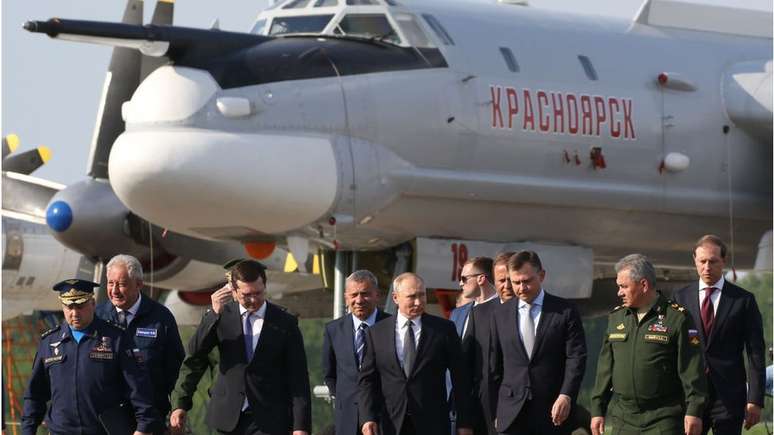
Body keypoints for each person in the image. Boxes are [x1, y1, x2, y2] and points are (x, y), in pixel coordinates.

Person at [169, 259, 311, 435]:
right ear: (233, 291)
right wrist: (180, 404)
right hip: (227, 419)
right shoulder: (220, 316)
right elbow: (196, 354)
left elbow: (298, 377)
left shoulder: (285, 322)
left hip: (270, 420)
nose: (253, 300)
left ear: (265, 287)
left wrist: (300, 426)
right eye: (246, 295)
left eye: (258, 293)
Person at [22, 279, 159, 435]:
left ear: (92, 303)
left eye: (80, 306)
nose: (74, 313)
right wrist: (28, 430)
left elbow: (139, 388)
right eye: (69, 307)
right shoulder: (49, 342)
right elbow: (34, 395)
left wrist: (143, 427)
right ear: (62, 307)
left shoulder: (116, 338)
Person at [590, 254, 707, 435]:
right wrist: (597, 409)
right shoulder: (616, 318)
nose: (619, 292)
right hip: (624, 419)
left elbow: (692, 370)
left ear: (643, 285)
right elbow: (605, 368)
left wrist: (694, 411)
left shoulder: (677, 318)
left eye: (624, 287)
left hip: (664, 419)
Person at [672, 235, 766, 435]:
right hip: (690, 396)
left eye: (713, 261)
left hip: (729, 397)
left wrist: (755, 399)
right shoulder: (679, 298)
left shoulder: (743, 301)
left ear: (723, 261)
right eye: (702, 261)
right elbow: (672, 348)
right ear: (694, 260)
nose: (707, 267)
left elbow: (755, 352)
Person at [359, 272, 473, 435]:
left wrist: (464, 422)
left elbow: (460, 378)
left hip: (433, 423)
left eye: (422, 295)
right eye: (412, 297)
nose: (418, 302)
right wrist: (367, 418)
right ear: (395, 298)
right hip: (391, 423)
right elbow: (367, 381)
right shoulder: (376, 333)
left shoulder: (443, 330)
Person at [490, 251, 587, 435]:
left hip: (552, 412)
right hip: (511, 414)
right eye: (516, 282)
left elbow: (576, 357)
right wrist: (496, 411)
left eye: (527, 281)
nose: (521, 288)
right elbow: (494, 366)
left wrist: (566, 395)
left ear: (541, 276)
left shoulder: (564, 311)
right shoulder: (500, 314)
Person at [96, 254, 185, 434]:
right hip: (106, 421)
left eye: (121, 284)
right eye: (110, 283)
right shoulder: (97, 318)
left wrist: (176, 409)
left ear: (139, 284)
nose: (114, 290)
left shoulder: (161, 318)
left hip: (150, 420)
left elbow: (176, 371)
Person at [321, 270, 392, 435]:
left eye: (365, 294)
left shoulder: (392, 326)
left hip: (385, 417)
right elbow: (329, 374)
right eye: (354, 295)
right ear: (346, 297)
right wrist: (345, 400)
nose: (359, 300)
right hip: (347, 419)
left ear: (377, 295)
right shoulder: (333, 329)